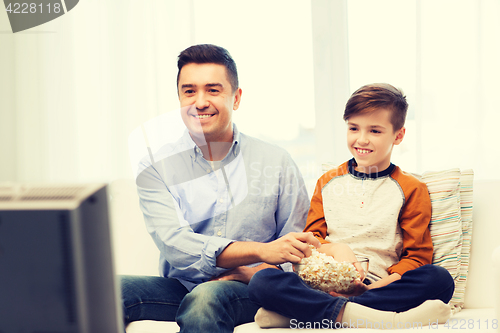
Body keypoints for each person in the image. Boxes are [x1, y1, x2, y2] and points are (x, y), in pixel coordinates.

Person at [120, 44, 321, 333]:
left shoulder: (276, 161)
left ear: (236, 98)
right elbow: (175, 244)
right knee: (105, 289)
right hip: (181, 287)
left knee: (206, 299)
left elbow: (296, 249)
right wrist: (261, 251)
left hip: (253, 288)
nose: (200, 102)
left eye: (213, 90)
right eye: (189, 91)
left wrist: (251, 272)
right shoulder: (155, 166)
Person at [248, 83, 455, 329]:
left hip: (378, 284)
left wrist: (379, 284)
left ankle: (305, 314)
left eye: (375, 131)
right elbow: (312, 239)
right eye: (353, 128)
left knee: (439, 280)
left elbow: (417, 257)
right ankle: (384, 319)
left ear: (398, 135)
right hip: (324, 283)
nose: (362, 139)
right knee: (263, 280)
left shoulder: (411, 188)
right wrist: (336, 247)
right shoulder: (327, 182)